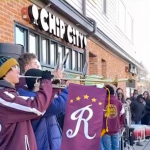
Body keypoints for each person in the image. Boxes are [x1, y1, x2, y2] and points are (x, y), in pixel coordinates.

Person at [0, 56, 54, 150]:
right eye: (14, 67)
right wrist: (45, 83)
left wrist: (53, 89)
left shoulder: (12, 94)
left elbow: (40, 111)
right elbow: (36, 108)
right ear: (4, 72)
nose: (18, 71)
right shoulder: (4, 97)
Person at [17, 69, 69, 150]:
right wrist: (71, 90)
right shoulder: (32, 98)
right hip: (41, 144)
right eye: (46, 80)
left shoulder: (41, 98)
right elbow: (57, 106)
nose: (49, 83)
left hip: (49, 141)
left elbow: (56, 112)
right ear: (37, 81)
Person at [101, 85, 125, 150]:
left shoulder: (101, 103)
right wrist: (120, 124)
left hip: (105, 130)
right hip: (116, 129)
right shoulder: (119, 102)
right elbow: (122, 115)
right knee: (116, 147)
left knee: (107, 148)